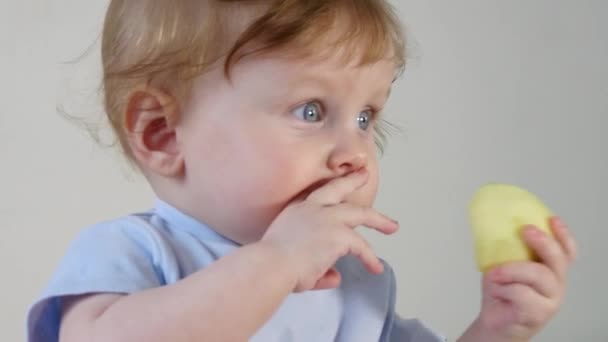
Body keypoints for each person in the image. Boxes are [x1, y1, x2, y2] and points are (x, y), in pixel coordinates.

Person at [27, 1, 577, 341]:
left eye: (366, 116)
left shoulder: (352, 285)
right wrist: (277, 263)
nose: (354, 152)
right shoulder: (134, 254)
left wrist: (499, 329)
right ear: (162, 134)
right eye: (311, 111)